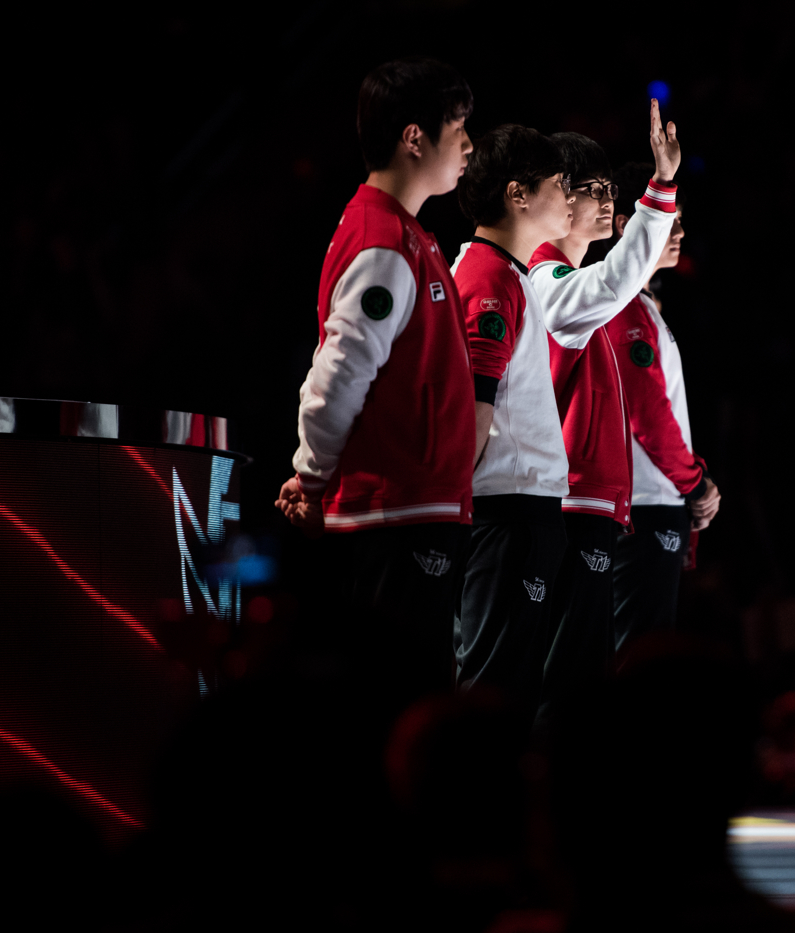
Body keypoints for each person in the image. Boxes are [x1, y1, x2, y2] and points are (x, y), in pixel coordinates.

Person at [275, 58, 475, 705]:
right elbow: (336, 377)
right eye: (458, 127)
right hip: (400, 513)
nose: (469, 144)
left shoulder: (409, 234)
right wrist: (312, 476)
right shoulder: (385, 243)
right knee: (400, 703)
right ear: (415, 138)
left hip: (417, 507)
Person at [527, 100, 681, 715]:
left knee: (582, 677)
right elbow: (614, 281)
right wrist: (661, 188)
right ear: (557, 198)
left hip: (588, 504)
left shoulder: (564, 283)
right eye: (591, 189)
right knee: (570, 684)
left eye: (609, 188)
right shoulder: (546, 281)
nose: (606, 200)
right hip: (569, 504)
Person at [450, 126, 575, 708]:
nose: (570, 198)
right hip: (507, 513)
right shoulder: (488, 276)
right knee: (494, 692)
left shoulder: (505, 273)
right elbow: (475, 404)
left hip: (516, 512)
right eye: (559, 184)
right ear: (517, 195)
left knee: (511, 689)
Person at [602, 162, 720, 652]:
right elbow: (647, 416)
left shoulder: (641, 304)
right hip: (647, 505)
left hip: (651, 502)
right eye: (670, 218)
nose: (681, 231)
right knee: (639, 658)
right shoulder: (624, 305)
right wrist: (695, 482)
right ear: (629, 226)